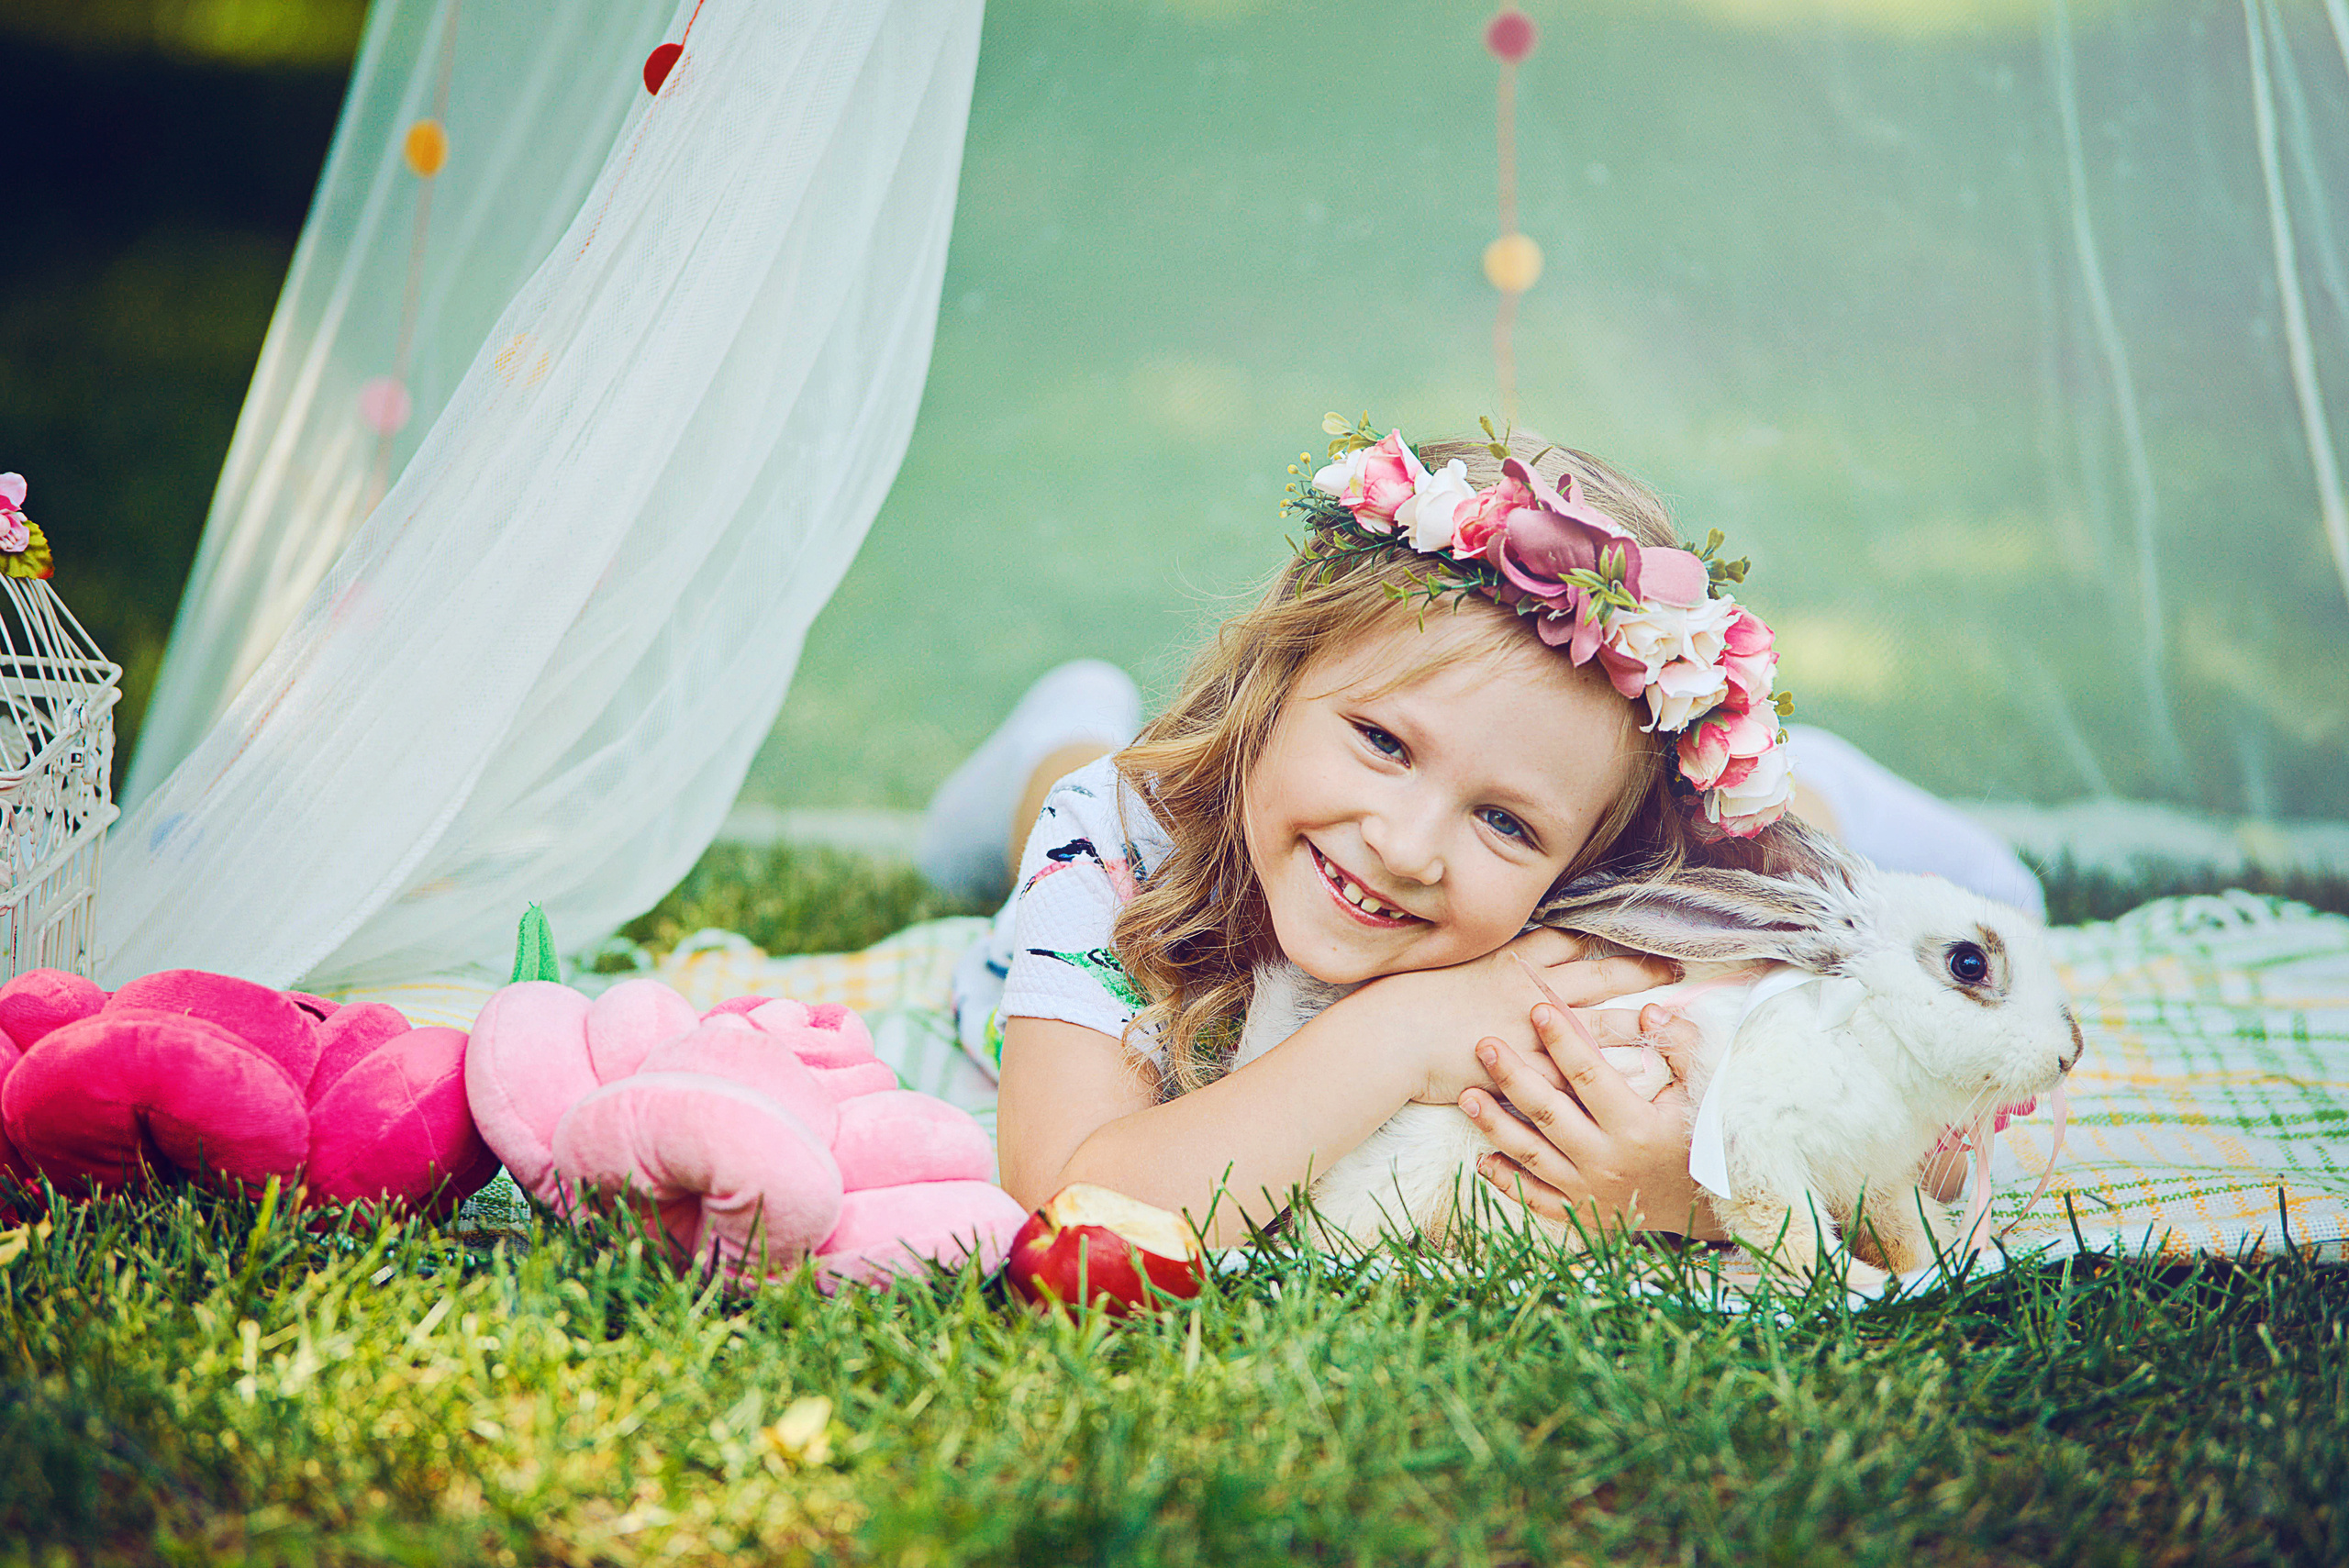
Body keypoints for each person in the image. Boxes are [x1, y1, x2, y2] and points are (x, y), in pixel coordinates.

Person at [919, 421, 2034, 1244]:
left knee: (1804, 853)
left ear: (1590, 861)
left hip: (1717, 828)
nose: (1406, 845)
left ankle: (1819, 786)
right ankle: (1062, 716)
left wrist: (1689, 1188)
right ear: (1273, 684)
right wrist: (1402, 1030)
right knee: (1077, 773)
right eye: (1382, 740)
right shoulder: (1116, 841)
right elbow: (1072, 1204)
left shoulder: (1612, 909)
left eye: (1504, 819)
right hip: (1123, 845)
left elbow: (1911, 1134)